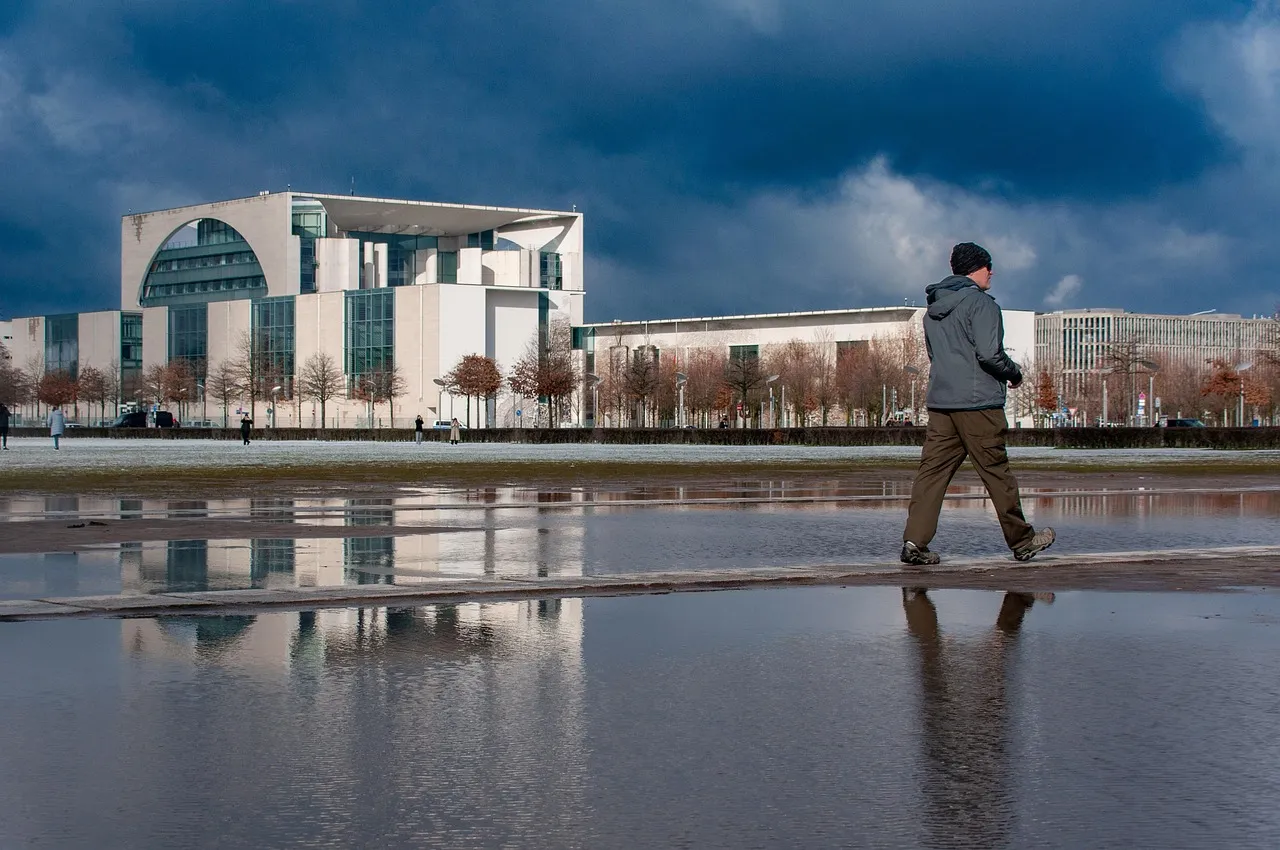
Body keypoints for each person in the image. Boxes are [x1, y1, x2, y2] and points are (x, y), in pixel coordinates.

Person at [901, 242, 1055, 566]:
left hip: (942, 403)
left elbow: (935, 356)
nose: (992, 274)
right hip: (978, 405)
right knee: (996, 473)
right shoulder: (982, 305)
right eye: (988, 268)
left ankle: (914, 542)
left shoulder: (932, 311)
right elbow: (989, 354)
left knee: (931, 474)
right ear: (977, 269)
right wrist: (1014, 373)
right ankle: (1022, 541)